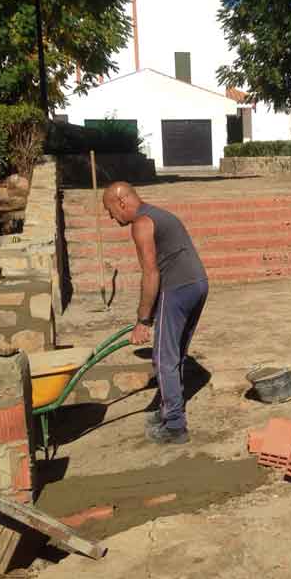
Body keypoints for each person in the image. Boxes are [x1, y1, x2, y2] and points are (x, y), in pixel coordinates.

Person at [102, 181, 209, 444]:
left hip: (177, 289)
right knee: (176, 354)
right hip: (197, 283)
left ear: (122, 202)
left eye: (109, 209)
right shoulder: (159, 214)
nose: (109, 216)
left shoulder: (142, 223)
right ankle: (167, 410)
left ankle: (174, 426)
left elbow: (151, 273)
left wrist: (143, 320)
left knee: (163, 359)